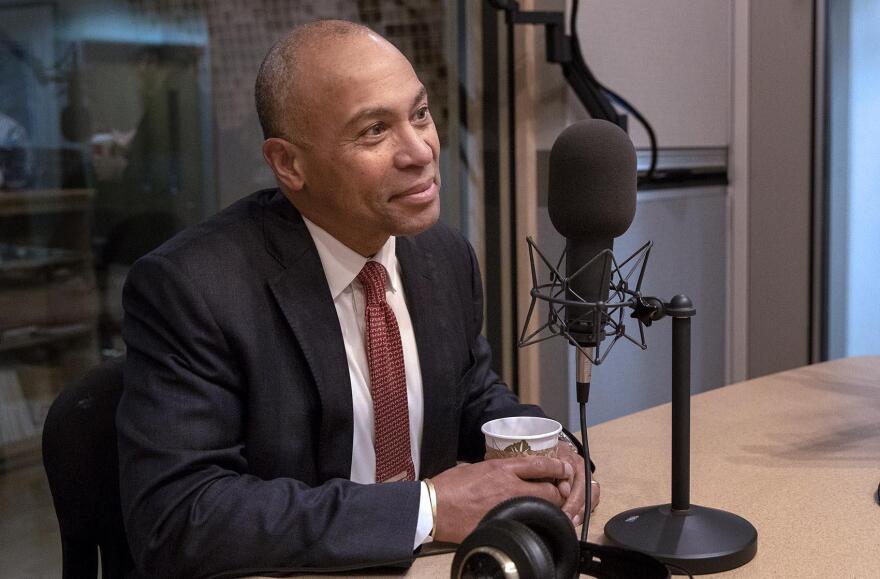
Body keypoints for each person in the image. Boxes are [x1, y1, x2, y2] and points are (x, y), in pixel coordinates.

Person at [117, 20, 597, 578]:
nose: (420, 151)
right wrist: (431, 509)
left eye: (420, 114)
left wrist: (548, 452)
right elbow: (179, 518)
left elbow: (470, 394)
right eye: (374, 130)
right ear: (289, 164)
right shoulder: (192, 287)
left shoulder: (442, 255)